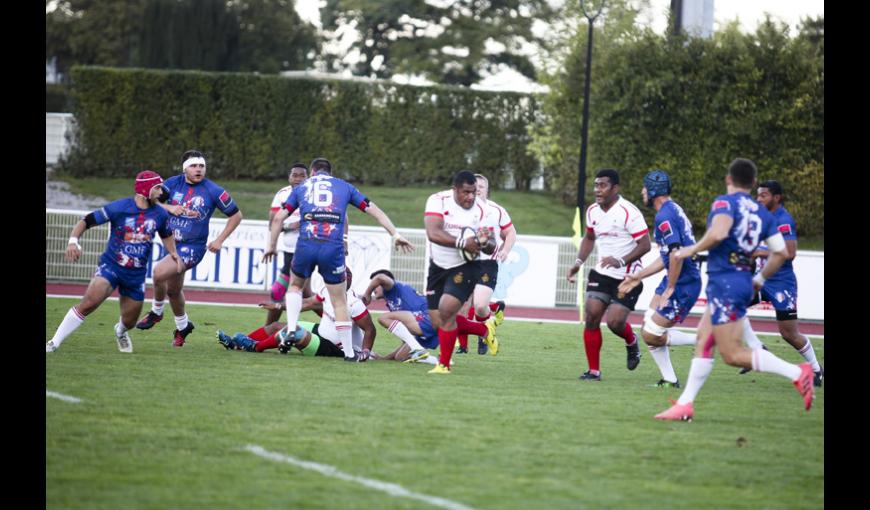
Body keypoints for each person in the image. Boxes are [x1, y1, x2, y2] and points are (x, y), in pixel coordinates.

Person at [654, 158, 815, 421]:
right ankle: (685, 404)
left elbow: (718, 233)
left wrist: (690, 250)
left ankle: (798, 373)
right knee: (704, 342)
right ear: (753, 184)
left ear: (729, 180)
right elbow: (781, 252)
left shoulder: (724, 203)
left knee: (732, 355)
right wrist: (760, 279)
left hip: (725, 282)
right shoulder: (763, 213)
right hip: (741, 280)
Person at [262, 157, 414, 362]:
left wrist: (271, 246)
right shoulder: (344, 187)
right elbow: (375, 211)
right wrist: (395, 234)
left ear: (313, 173)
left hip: (306, 244)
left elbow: (279, 218)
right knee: (340, 300)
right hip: (332, 248)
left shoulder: (303, 187)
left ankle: (290, 328)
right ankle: (350, 354)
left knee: (295, 288)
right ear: (330, 173)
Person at [46, 171, 184, 353]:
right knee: (89, 303)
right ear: (145, 190)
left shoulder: (160, 214)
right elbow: (86, 221)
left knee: (130, 321)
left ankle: (120, 331)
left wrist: (173, 253)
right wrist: (73, 241)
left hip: (135, 274)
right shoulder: (119, 208)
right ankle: (54, 342)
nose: (161, 192)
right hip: (111, 266)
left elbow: (166, 235)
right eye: (157, 188)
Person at [135, 150, 243, 347]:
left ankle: (156, 312)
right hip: (174, 244)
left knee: (159, 274)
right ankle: (183, 326)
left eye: (202, 166)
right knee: (174, 290)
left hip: (193, 248)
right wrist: (170, 208)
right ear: (185, 168)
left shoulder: (214, 190)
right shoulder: (172, 184)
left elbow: (236, 216)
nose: (199, 169)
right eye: (194, 166)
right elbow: (151, 199)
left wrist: (219, 240)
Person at [617, 170, 702, 388]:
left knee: (651, 334)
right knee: (649, 324)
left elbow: (676, 254)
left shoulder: (664, 216)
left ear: (654, 190)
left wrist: (670, 288)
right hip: (678, 277)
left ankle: (706, 340)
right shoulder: (671, 210)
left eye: (645, 187)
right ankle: (669, 379)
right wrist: (638, 276)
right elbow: (667, 256)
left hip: (684, 283)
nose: (642, 191)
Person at [566, 168, 651, 381]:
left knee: (614, 322)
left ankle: (631, 342)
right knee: (592, 315)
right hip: (602, 273)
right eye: (596, 185)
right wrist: (578, 263)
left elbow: (646, 245)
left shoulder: (629, 212)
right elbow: (589, 238)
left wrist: (621, 260)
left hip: (628, 275)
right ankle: (594, 371)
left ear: (615, 188)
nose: (598, 189)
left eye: (603, 185)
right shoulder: (592, 211)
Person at [737, 180, 823, 386]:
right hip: (761, 278)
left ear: (776, 198)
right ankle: (757, 348)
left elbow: (790, 254)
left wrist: (759, 251)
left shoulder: (784, 220)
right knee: (732, 304)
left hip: (782, 283)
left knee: (789, 333)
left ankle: (817, 369)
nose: (759, 199)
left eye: (764, 195)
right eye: (758, 195)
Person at [423, 170, 499, 374]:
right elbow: (433, 233)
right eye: (466, 192)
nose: (471, 197)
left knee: (447, 310)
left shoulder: (482, 209)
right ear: (455, 189)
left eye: (474, 192)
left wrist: (485, 242)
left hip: (466, 267)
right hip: (438, 266)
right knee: (437, 321)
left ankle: (443, 365)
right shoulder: (438, 201)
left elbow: (492, 245)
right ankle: (483, 330)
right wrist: (462, 243)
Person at [217, 268, 377, 358]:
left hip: (336, 348)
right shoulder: (326, 291)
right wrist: (278, 306)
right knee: (275, 326)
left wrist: (365, 353)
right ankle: (235, 343)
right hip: (321, 333)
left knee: (293, 332)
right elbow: (308, 303)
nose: (330, 281)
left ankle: (256, 347)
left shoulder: (354, 304)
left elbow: (370, 329)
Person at [361, 269, 497, 364]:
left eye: (375, 286)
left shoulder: (392, 287)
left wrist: (366, 293)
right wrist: (384, 358)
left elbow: (379, 278)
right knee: (400, 357)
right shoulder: (391, 303)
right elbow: (406, 336)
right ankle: (437, 361)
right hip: (424, 322)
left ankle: (483, 328)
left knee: (383, 318)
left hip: (428, 315)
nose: (373, 289)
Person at [455, 173, 514, 355]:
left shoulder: (496, 211)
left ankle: (485, 331)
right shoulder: (460, 210)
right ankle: (463, 347)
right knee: (462, 306)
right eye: (474, 187)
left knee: (480, 306)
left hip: (487, 264)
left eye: (481, 187)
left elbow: (511, 233)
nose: (477, 190)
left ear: (487, 191)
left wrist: (504, 250)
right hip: (465, 263)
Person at [265, 162, 310, 325]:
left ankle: (267, 331)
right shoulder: (282, 194)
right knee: (306, 295)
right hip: (289, 251)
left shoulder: (312, 194)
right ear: (289, 177)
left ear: (308, 177)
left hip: (307, 250)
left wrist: (304, 223)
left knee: (279, 291)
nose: (298, 179)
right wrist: (288, 226)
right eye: (294, 175)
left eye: (302, 175)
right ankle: (338, 325)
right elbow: (272, 223)